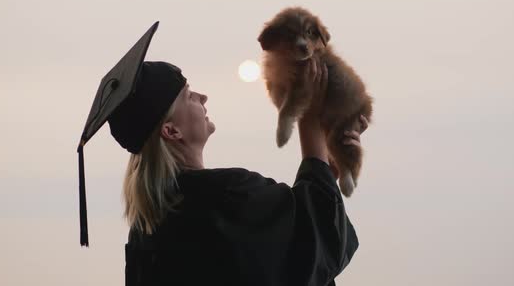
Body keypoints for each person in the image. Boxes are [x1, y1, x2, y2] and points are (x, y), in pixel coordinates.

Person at [77, 23, 368, 286]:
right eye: (188, 95)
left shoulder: (146, 231)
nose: (202, 98)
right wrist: (311, 123)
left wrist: (327, 165)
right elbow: (322, 242)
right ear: (171, 131)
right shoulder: (226, 197)